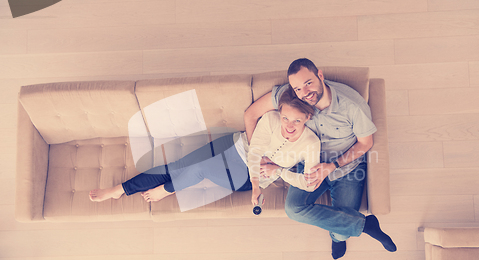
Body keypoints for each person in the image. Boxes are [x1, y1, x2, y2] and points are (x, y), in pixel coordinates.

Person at [244, 58, 396, 259]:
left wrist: (332, 166)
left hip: (344, 168)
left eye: (308, 83)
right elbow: (251, 114)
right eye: (297, 88)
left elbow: (365, 144)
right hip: (308, 163)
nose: (304, 93)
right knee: (293, 209)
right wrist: (262, 155)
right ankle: (366, 224)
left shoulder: (352, 107)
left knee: (341, 233)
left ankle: (338, 237)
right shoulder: (292, 97)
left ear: (320, 76)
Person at [89, 88, 320, 208]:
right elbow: (255, 148)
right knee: (178, 166)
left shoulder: (310, 144)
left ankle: (167, 190)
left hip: (244, 177)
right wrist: (260, 160)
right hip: (236, 146)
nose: (288, 126)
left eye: (297, 121)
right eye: (285, 118)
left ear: (308, 117)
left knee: (200, 169)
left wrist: (275, 173)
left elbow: (308, 185)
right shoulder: (271, 119)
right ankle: (119, 189)